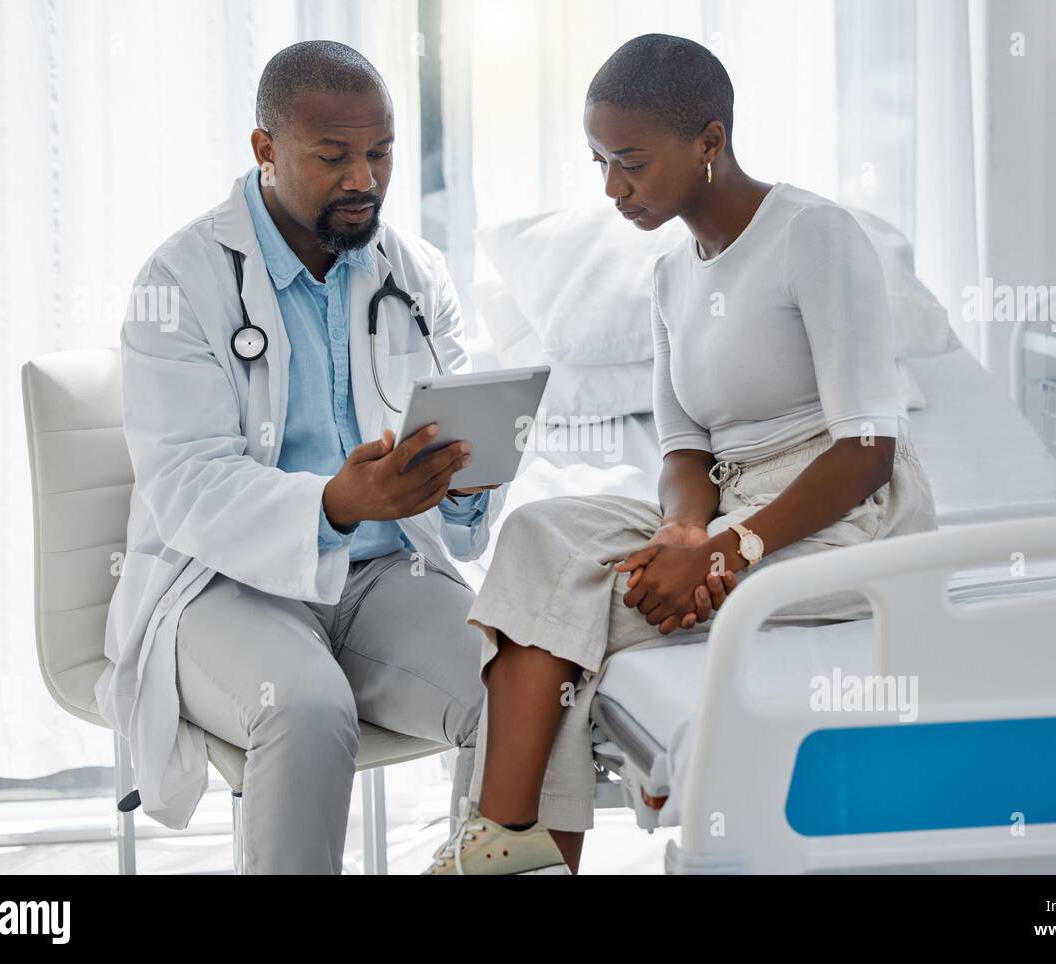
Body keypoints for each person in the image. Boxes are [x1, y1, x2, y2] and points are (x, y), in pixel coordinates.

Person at [423, 34, 937, 875]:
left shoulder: (814, 235)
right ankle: (516, 842)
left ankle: (508, 839)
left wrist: (736, 547)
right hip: (725, 511)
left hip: (841, 514)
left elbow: (868, 449)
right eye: (598, 161)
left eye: (630, 161)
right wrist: (684, 536)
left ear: (710, 142)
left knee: (570, 607)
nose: (612, 188)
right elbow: (683, 448)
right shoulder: (669, 274)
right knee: (539, 536)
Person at [97, 40, 502, 874]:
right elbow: (186, 486)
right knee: (308, 706)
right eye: (334, 156)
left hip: (383, 577)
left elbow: (460, 477)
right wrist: (336, 504)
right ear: (265, 150)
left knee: (517, 688)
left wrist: (464, 477)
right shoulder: (178, 281)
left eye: (381, 152)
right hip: (221, 584)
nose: (365, 179)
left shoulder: (416, 275)